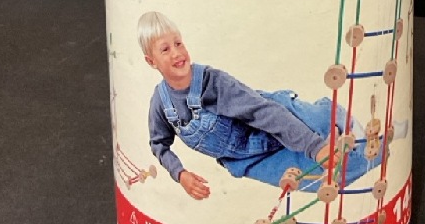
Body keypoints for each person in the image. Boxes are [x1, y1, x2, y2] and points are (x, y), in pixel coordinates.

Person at [139, 11, 405, 200]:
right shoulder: (161, 103)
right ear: (151, 61)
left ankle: (343, 121)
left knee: (321, 125)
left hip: (274, 117)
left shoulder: (213, 82)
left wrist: (314, 147)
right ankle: (382, 145)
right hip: (248, 159)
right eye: (165, 49)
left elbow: (263, 113)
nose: (177, 53)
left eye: (178, 43)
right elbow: (159, 145)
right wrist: (180, 174)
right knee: (324, 178)